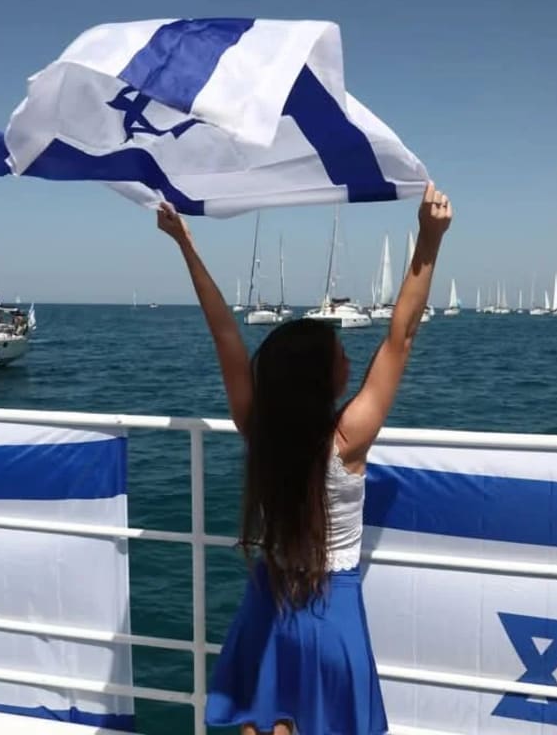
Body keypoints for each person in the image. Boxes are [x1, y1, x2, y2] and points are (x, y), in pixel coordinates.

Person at [157, 183, 452, 735]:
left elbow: (225, 334)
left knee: (261, 721)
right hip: (330, 612)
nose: (349, 357)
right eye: (340, 353)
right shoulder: (347, 440)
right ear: (323, 376)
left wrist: (186, 245)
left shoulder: (260, 430)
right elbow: (401, 337)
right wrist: (429, 240)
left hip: (267, 603)